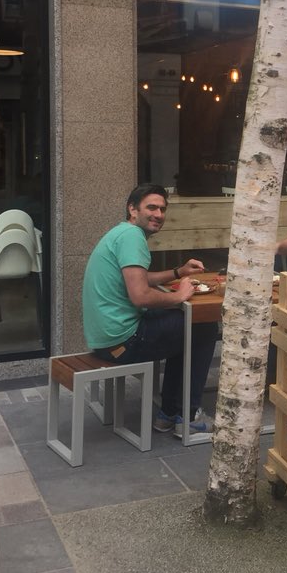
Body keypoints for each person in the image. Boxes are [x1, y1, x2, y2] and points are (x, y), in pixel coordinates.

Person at [82, 183, 217, 436]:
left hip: (106, 339)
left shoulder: (121, 234)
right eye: (151, 207)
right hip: (122, 342)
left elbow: (140, 280)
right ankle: (187, 417)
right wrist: (180, 295)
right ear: (132, 210)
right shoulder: (132, 237)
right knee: (202, 327)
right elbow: (140, 296)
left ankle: (169, 414)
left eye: (162, 209)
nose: (158, 214)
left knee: (185, 324)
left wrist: (178, 272)